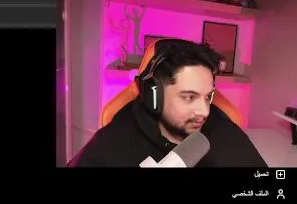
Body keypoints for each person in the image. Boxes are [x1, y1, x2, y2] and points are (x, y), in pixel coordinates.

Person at [69, 39, 267, 167]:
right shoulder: (115, 140)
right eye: (189, 97)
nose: (204, 111)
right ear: (154, 96)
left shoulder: (225, 133)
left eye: (208, 97)